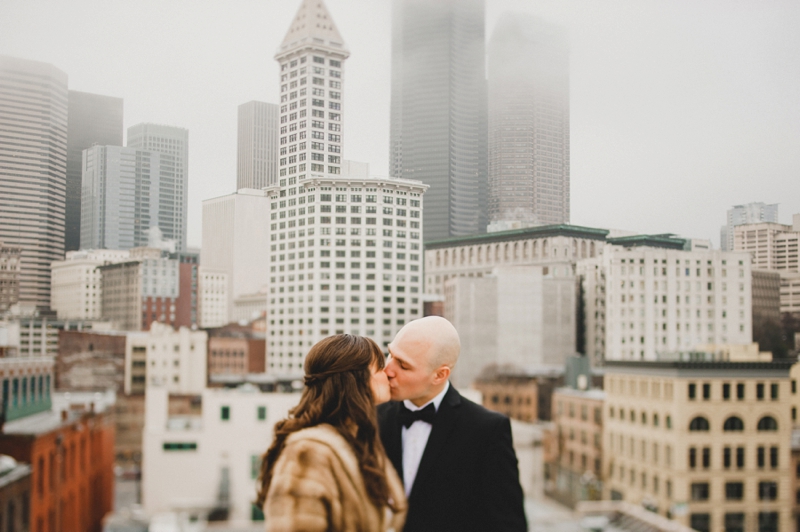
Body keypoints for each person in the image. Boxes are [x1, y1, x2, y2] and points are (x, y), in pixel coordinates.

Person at [378, 316, 527, 532]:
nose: (388, 370)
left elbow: (508, 524)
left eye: (403, 365)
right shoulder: (371, 418)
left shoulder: (487, 431)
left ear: (440, 375)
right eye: (390, 354)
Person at [257, 334, 406, 532]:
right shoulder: (308, 452)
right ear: (355, 381)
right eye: (379, 367)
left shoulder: (362, 445)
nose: (387, 372)